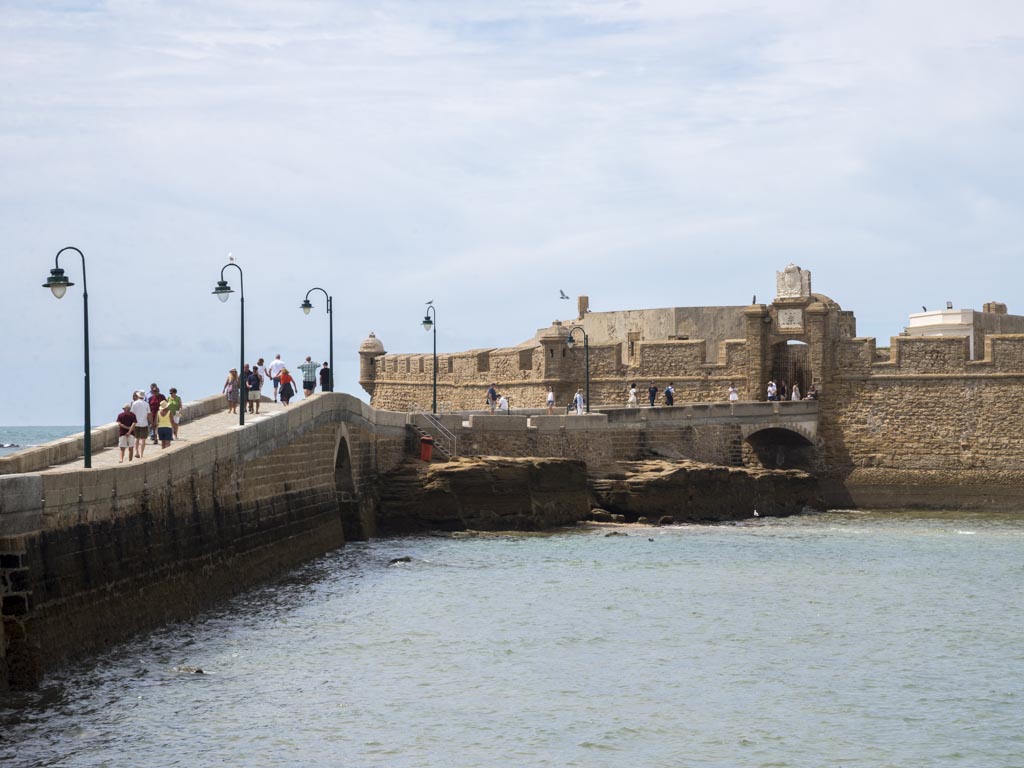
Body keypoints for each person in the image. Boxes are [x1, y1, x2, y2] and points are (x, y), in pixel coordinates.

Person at [130, 391, 151, 459]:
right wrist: (151, 422)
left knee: (137, 438)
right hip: (144, 423)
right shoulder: (146, 404)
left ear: (138, 396)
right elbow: (148, 414)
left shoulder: (134, 403)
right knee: (143, 440)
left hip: (136, 423)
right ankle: (142, 454)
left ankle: (136, 452)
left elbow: (132, 414)